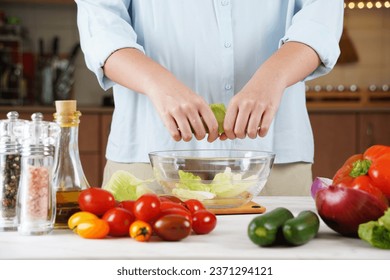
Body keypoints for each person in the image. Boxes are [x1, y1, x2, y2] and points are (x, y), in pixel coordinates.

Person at [75, 0, 344, 196]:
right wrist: (157, 83)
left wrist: (272, 78)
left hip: (274, 161)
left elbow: (319, 21)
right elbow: (102, 28)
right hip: (148, 158)